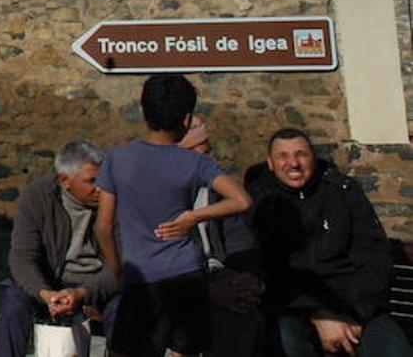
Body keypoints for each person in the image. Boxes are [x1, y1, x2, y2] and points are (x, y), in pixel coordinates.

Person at [94, 74, 251, 357]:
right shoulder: (196, 161)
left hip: (141, 279)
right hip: (187, 275)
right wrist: (193, 216)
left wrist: (116, 269)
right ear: (187, 118)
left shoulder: (117, 160)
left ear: (144, 112)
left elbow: (103, 227)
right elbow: (241, 200)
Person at [249, 128, 413, 357]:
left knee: (394, 351)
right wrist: (319, 313)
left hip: (354, 302)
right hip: (294, 307)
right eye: (283, 156)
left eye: (301, 154)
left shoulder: (344, 192)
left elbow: (374, 257)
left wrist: (352, 313)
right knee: (286, 342)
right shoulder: (261, 201)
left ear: (313, 158)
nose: (293, 163)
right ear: (270, 163)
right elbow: (269, 270)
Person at [0, 139, 120, 357]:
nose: (100, 188)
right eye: (91, 181)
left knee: (122, 308)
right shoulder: (37, 197)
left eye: (103, 179)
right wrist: (46, 294)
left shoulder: (115, 198)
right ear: (65, 181)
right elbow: (22, 258)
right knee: (15, 302)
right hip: (52, 281)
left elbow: (121, 264)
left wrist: (83, 293)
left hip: (97, 282)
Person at [180, 118, 265, 357]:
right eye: (199, 152)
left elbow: (240, 242)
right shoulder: (157, 193)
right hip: (181, 283)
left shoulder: (216, 192)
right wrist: (208, 290)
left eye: (208, 151)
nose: (209, 159)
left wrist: (247, 279)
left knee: (246, 315)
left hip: (220, 274)